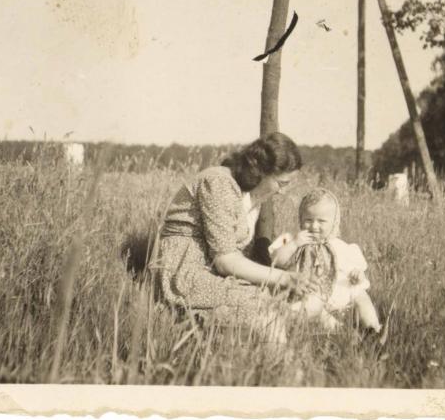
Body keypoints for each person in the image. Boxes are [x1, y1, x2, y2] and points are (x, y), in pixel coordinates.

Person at [156, 132, 313, 331]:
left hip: (209, 272)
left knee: (277, 301)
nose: (282, 192)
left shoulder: (248, 196)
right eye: (281, 184)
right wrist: (283, 278)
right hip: (185, 274)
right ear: (260, 171)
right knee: (265, 306)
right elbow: (225, 260)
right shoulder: (218, 182)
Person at [269, 188, 381, 332]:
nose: (314, 226)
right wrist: (295, 243)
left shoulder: (341, 246)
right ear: (300, 219)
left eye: (321, 221)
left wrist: (357, 275)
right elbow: (276, 260)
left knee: (362, 296)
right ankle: (341, 333)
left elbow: (357, 271)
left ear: (334, 222)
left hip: (339, 291)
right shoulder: (290, 239)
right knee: (317, 311)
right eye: (308, 220)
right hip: (309, 294)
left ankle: (373, 328)